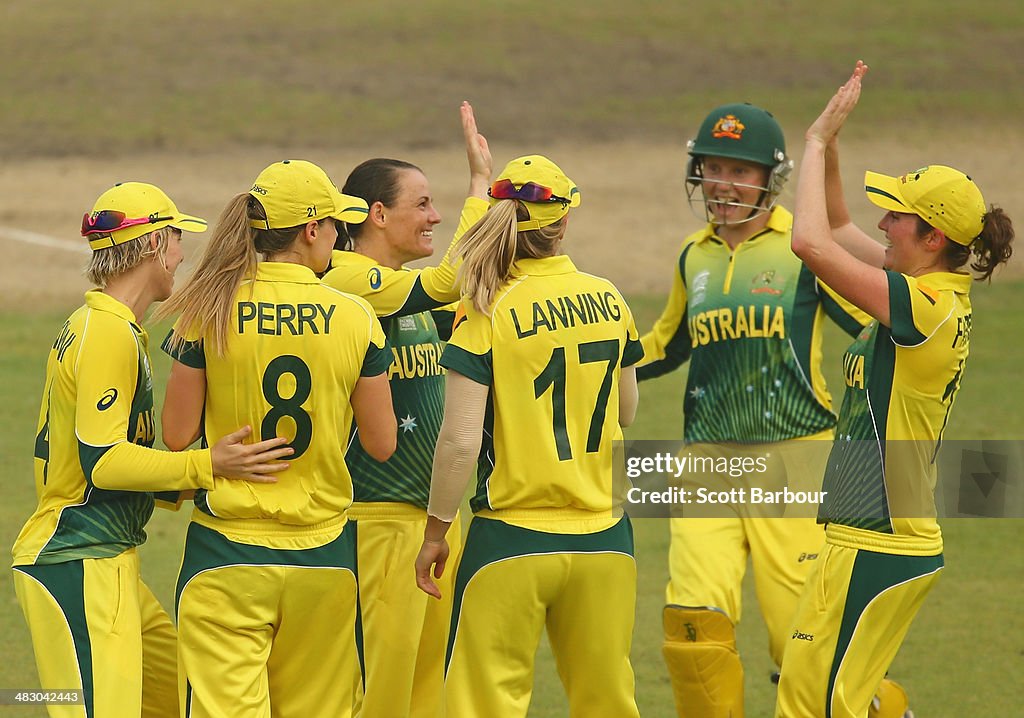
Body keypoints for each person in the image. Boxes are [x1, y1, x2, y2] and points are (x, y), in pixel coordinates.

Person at [775, 61, 1014, 718]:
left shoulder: (926, 306)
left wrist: (815, 143)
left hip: (879, 540)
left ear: (932, 237)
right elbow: (841, 222)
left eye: (897, 217)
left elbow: (808, 241)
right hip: (866, 537)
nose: (883, 224)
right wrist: (833, 140)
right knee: (816, 699)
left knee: (819, 707)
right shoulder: (918, 295)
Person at [11, 182, 292, 717]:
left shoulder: (110, 327)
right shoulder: (108, 334)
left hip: (110, 559)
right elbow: (105, 462)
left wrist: (197, 480)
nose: (182, 255)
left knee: (172, 698)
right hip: (78, 562)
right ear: (153, 245)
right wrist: (209, 464)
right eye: (176, 240)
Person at [637, 102, 868, 717]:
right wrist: (598, 361)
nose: (723, 184)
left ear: (771, 177)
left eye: (739, 171)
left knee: (800, 644)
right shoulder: (695, 255)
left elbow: (873, 328)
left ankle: (882, 707)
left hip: (796, 462)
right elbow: (667, 342)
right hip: (707, 462)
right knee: (691, 628)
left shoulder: (803, 248)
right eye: (712, 168)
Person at [157, 160, 398, 717]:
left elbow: (175, 435)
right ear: (311, 230)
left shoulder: (207, 306)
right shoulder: (356, 316)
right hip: (325, 560)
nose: (340, 236)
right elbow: (383, 443)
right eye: (335, 225)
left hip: (226, 558)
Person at [415, 155, 644, 718]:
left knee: (483, 704)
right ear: (562, 222)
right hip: (605, 541)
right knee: (608, 702)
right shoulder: (610, 298)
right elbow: (628, 412)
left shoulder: (486, 307)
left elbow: (462, 440)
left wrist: (435, 533)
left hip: (510, 541)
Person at [321, 101, 491, 718]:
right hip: (372, 523)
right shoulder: (345, 280)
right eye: (422, 204)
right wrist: (479, 186)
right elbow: (448, 281)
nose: (435, 217)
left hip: (431, 525)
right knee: (377, 698)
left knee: (429, 698)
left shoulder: (410, 297)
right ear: (376, 212)